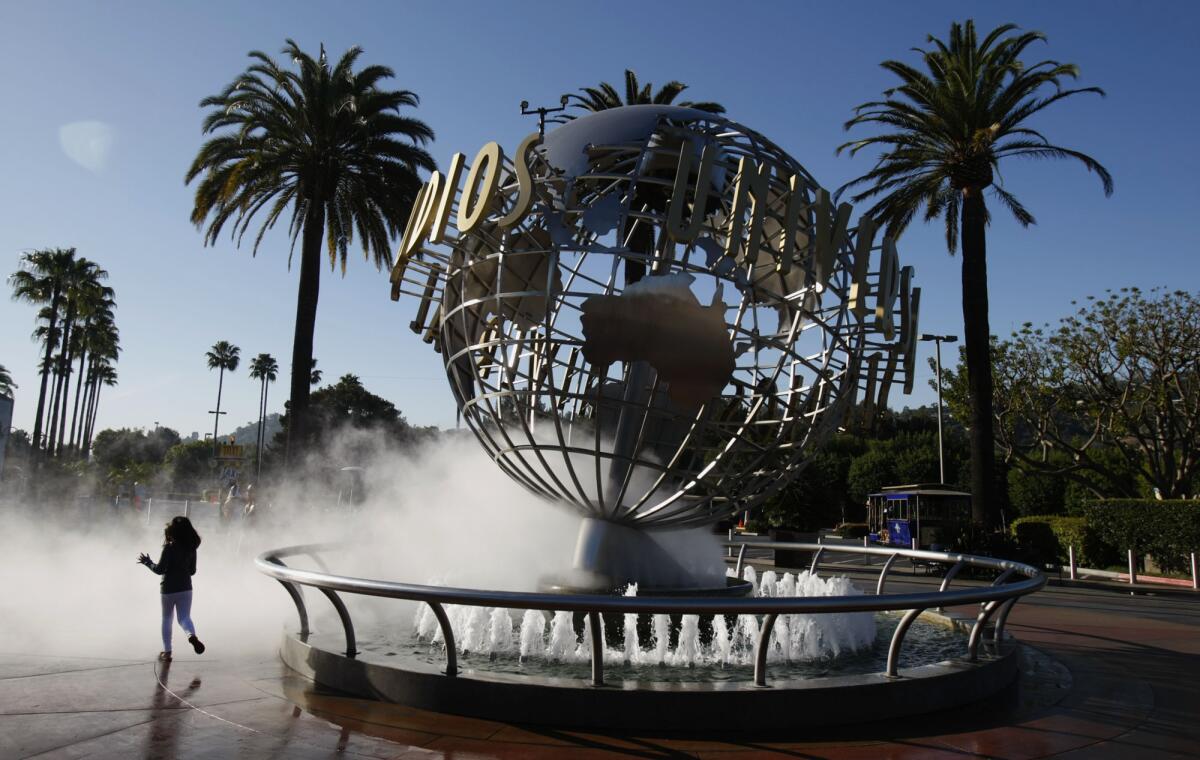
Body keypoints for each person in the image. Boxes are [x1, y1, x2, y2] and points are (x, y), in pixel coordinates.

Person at [138, 516, 206, 661]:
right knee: (184, 617)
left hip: (168, 588)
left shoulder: (169, 548)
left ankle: (167, 651)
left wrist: (147, 562)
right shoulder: (192, 548)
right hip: (186, 588)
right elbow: (192, 571)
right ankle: (191, 635)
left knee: (167, 618)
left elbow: (159, 570)